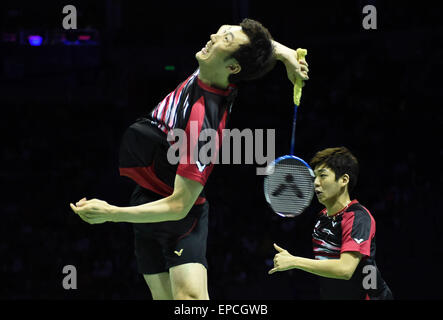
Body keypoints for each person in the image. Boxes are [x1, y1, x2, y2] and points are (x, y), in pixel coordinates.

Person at [69, 18, 309, 300]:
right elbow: (252, 44)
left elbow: (180, 206)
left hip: (177, 217)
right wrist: (286, 54)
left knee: (190, 301)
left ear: (232, 67)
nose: (214, 35)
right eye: (222, 31)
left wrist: (110, 213)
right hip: (147, 200)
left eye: (226, 39)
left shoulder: (204, 126)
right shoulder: (211, 72)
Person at [269, 147, 393, 300]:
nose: (315, 183)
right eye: (314, 177)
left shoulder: (358, 218)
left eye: (322, 176)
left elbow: (345, 269)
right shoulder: (322, 218)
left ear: (344, 180)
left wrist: (294, 261)